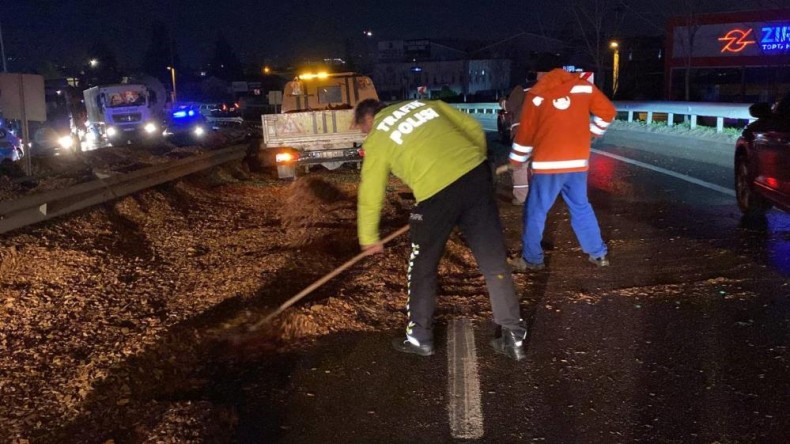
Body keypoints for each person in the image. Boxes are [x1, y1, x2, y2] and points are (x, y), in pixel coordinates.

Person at [354, 98, 528, 361]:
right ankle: (513, 336)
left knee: (421, 267)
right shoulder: (426, 104)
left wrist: (368, 237)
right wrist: (480, 164)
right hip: (475, 178)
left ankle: (419, 338)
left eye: (362, 128)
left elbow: (371, 189)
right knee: (493, 263)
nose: (363, 133)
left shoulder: (378, 136)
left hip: (435, 197)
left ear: (369, 119)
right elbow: (470, 127)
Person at [508, 68, 616, 271]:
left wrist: (517, 159)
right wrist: (592, 132)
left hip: (548, 165)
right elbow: (608, 112)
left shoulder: (536, 94)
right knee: (581, 206)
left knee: (535, 211)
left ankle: (532, 259)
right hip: (577, 162)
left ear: (540, 75)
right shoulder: (583, 87)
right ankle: (598, 254)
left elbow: (526, 133)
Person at [505, 71, 538, 206]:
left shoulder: (522, 88)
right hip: (543, 131)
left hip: (522, 130)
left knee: (520, 165)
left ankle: (521, 197)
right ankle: (540, 196)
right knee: (539, 165)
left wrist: (502, 101)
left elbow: (510, 106)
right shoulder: (549, 88)